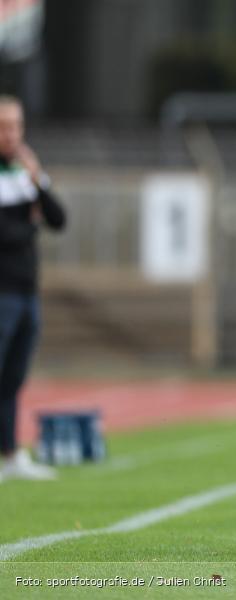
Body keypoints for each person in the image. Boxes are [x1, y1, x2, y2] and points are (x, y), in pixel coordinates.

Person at [0, 95, 65, 482]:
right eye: (3, 127)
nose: (11, 134)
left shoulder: (24, 173)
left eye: (15, 126)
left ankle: (9, 454)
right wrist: (31, 224)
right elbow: (7, 235)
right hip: (1, 291)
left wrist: (38, 180)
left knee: (13, 377)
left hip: (26, 291)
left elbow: (58, 218)